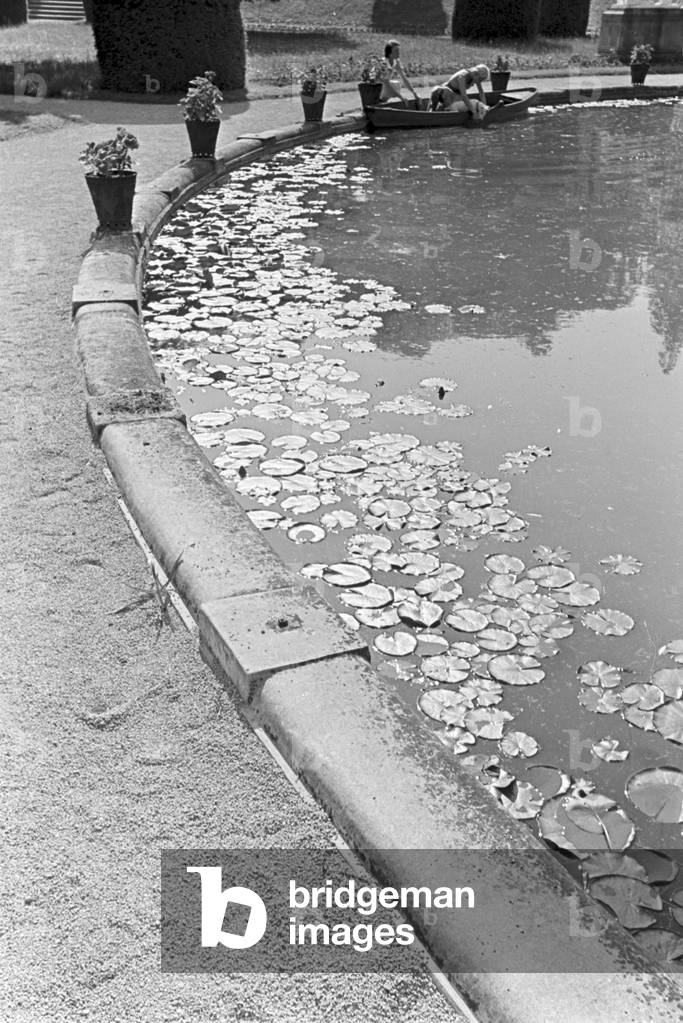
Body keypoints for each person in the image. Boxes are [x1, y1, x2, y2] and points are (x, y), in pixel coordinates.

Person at [380, 40, 420, 107]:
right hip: (376, 88)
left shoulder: (396, 62)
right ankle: (380, 103)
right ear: (389, 53)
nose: (399, 53)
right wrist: (401, 97)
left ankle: (383, 102)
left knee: (396, 84)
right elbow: (386, 83)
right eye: (396, 50)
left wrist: (414, 93)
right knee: (392, 85)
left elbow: (404, 78)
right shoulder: (383, 63)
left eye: (398, 50)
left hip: (384, 86)